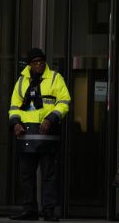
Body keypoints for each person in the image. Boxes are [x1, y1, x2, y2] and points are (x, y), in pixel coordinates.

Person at [8, 47, 71, 222]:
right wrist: (15, 124)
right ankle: (29, 209)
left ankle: (49, 210)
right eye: (35, 62)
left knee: (49, 175)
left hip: (47, 134)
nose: (39, 65)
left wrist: (51, 118)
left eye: (41, 62)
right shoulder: (22, 81)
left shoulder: (55, 78)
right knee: (26, 175)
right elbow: (14, 106)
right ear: (29, 65)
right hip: (26, 134)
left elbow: (64, 102)